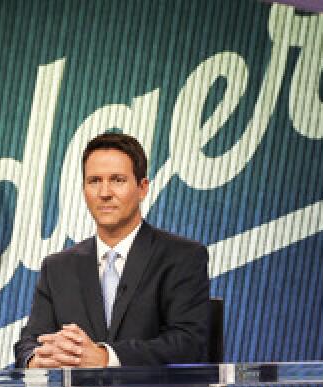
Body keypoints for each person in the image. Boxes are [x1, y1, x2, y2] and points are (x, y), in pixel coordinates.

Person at [14, 132, 210, 369]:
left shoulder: (183, 257)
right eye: (94, 181)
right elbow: (30, 342)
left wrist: (106, 358)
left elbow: (188, 343)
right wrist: (38, 359)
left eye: (117, 180)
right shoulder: (58, 267)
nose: (104, 193)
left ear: (142, 188)